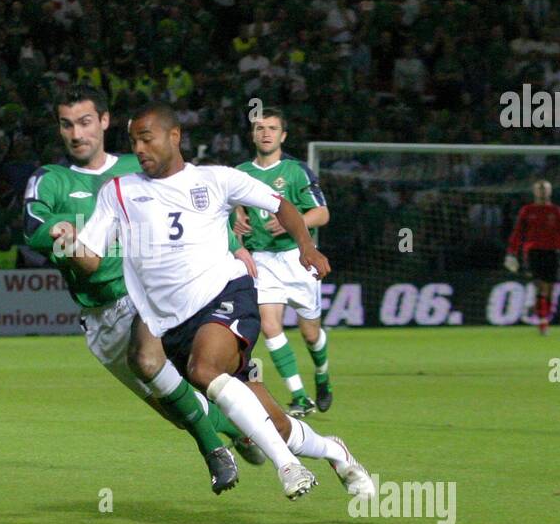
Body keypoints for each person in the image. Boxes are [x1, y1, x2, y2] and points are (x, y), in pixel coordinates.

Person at [54, 103, 375, 502]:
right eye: (133, 140)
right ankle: (334, 451)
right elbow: (92, 260)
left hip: (228, 294)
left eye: (146, 138)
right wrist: (67, 243)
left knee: (204, 369)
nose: (138, 148)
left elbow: (281, 206)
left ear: (174, 137)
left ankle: (288, 468)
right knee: (271, 422)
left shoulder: (218, 179)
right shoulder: (119, 192)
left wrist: (306, 247)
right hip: (175, 327)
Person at [23, 86, 256, 494]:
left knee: (180, 370)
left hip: (152, 293)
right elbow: (33, 228)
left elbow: (195, 198)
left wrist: (236, 247)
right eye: (66, 124)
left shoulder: (138, 166)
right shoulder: (51, 180)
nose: (77, 134)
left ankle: (233, 446)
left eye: (85, 122)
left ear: (105, 121)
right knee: (172, 406)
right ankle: (240, 430)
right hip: (100, 316)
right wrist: (63, 236)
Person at [232, 108, 334, 416]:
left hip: (297, 257)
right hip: (262, 258)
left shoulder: (295, 171)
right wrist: (234, 218)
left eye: (273, 128)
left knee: (310, 333)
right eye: (260, 127)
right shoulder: (239, 173)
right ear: (252, 134)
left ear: (283, 135)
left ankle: (322, 375)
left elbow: (323, 213)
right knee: (269, 324)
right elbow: (226, 208)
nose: (266, 133)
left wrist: (295, 220)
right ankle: (300, 396)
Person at [505, 180, 560, 335]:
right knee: (540, 286)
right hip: (533, 252)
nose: (542, 192)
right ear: (535, 192)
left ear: (550, 191)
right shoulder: (527, 211)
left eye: (545, 189)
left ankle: (544, 316)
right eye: (539, 189)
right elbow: (518, 233)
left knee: (549, 288)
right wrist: (511, 253)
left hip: (553, 252)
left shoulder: (556, 211)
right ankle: (543, 321)